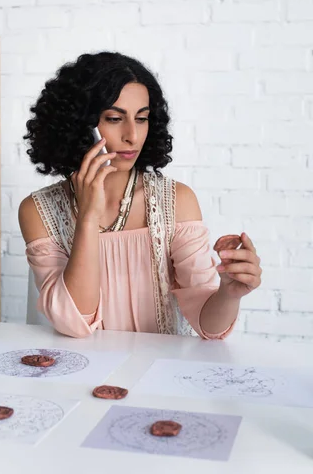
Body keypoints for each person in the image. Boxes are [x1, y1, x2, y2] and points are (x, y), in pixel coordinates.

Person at [19, 52, 262, 339]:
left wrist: (229, 294)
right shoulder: (37, 210)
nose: (132, 135)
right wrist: (87, 217)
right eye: (113, 118)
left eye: (142, 118)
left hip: (157, 373)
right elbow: (75, 323)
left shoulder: (176, 201)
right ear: (78, 125)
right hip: (79, 371)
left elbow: (208, 328)